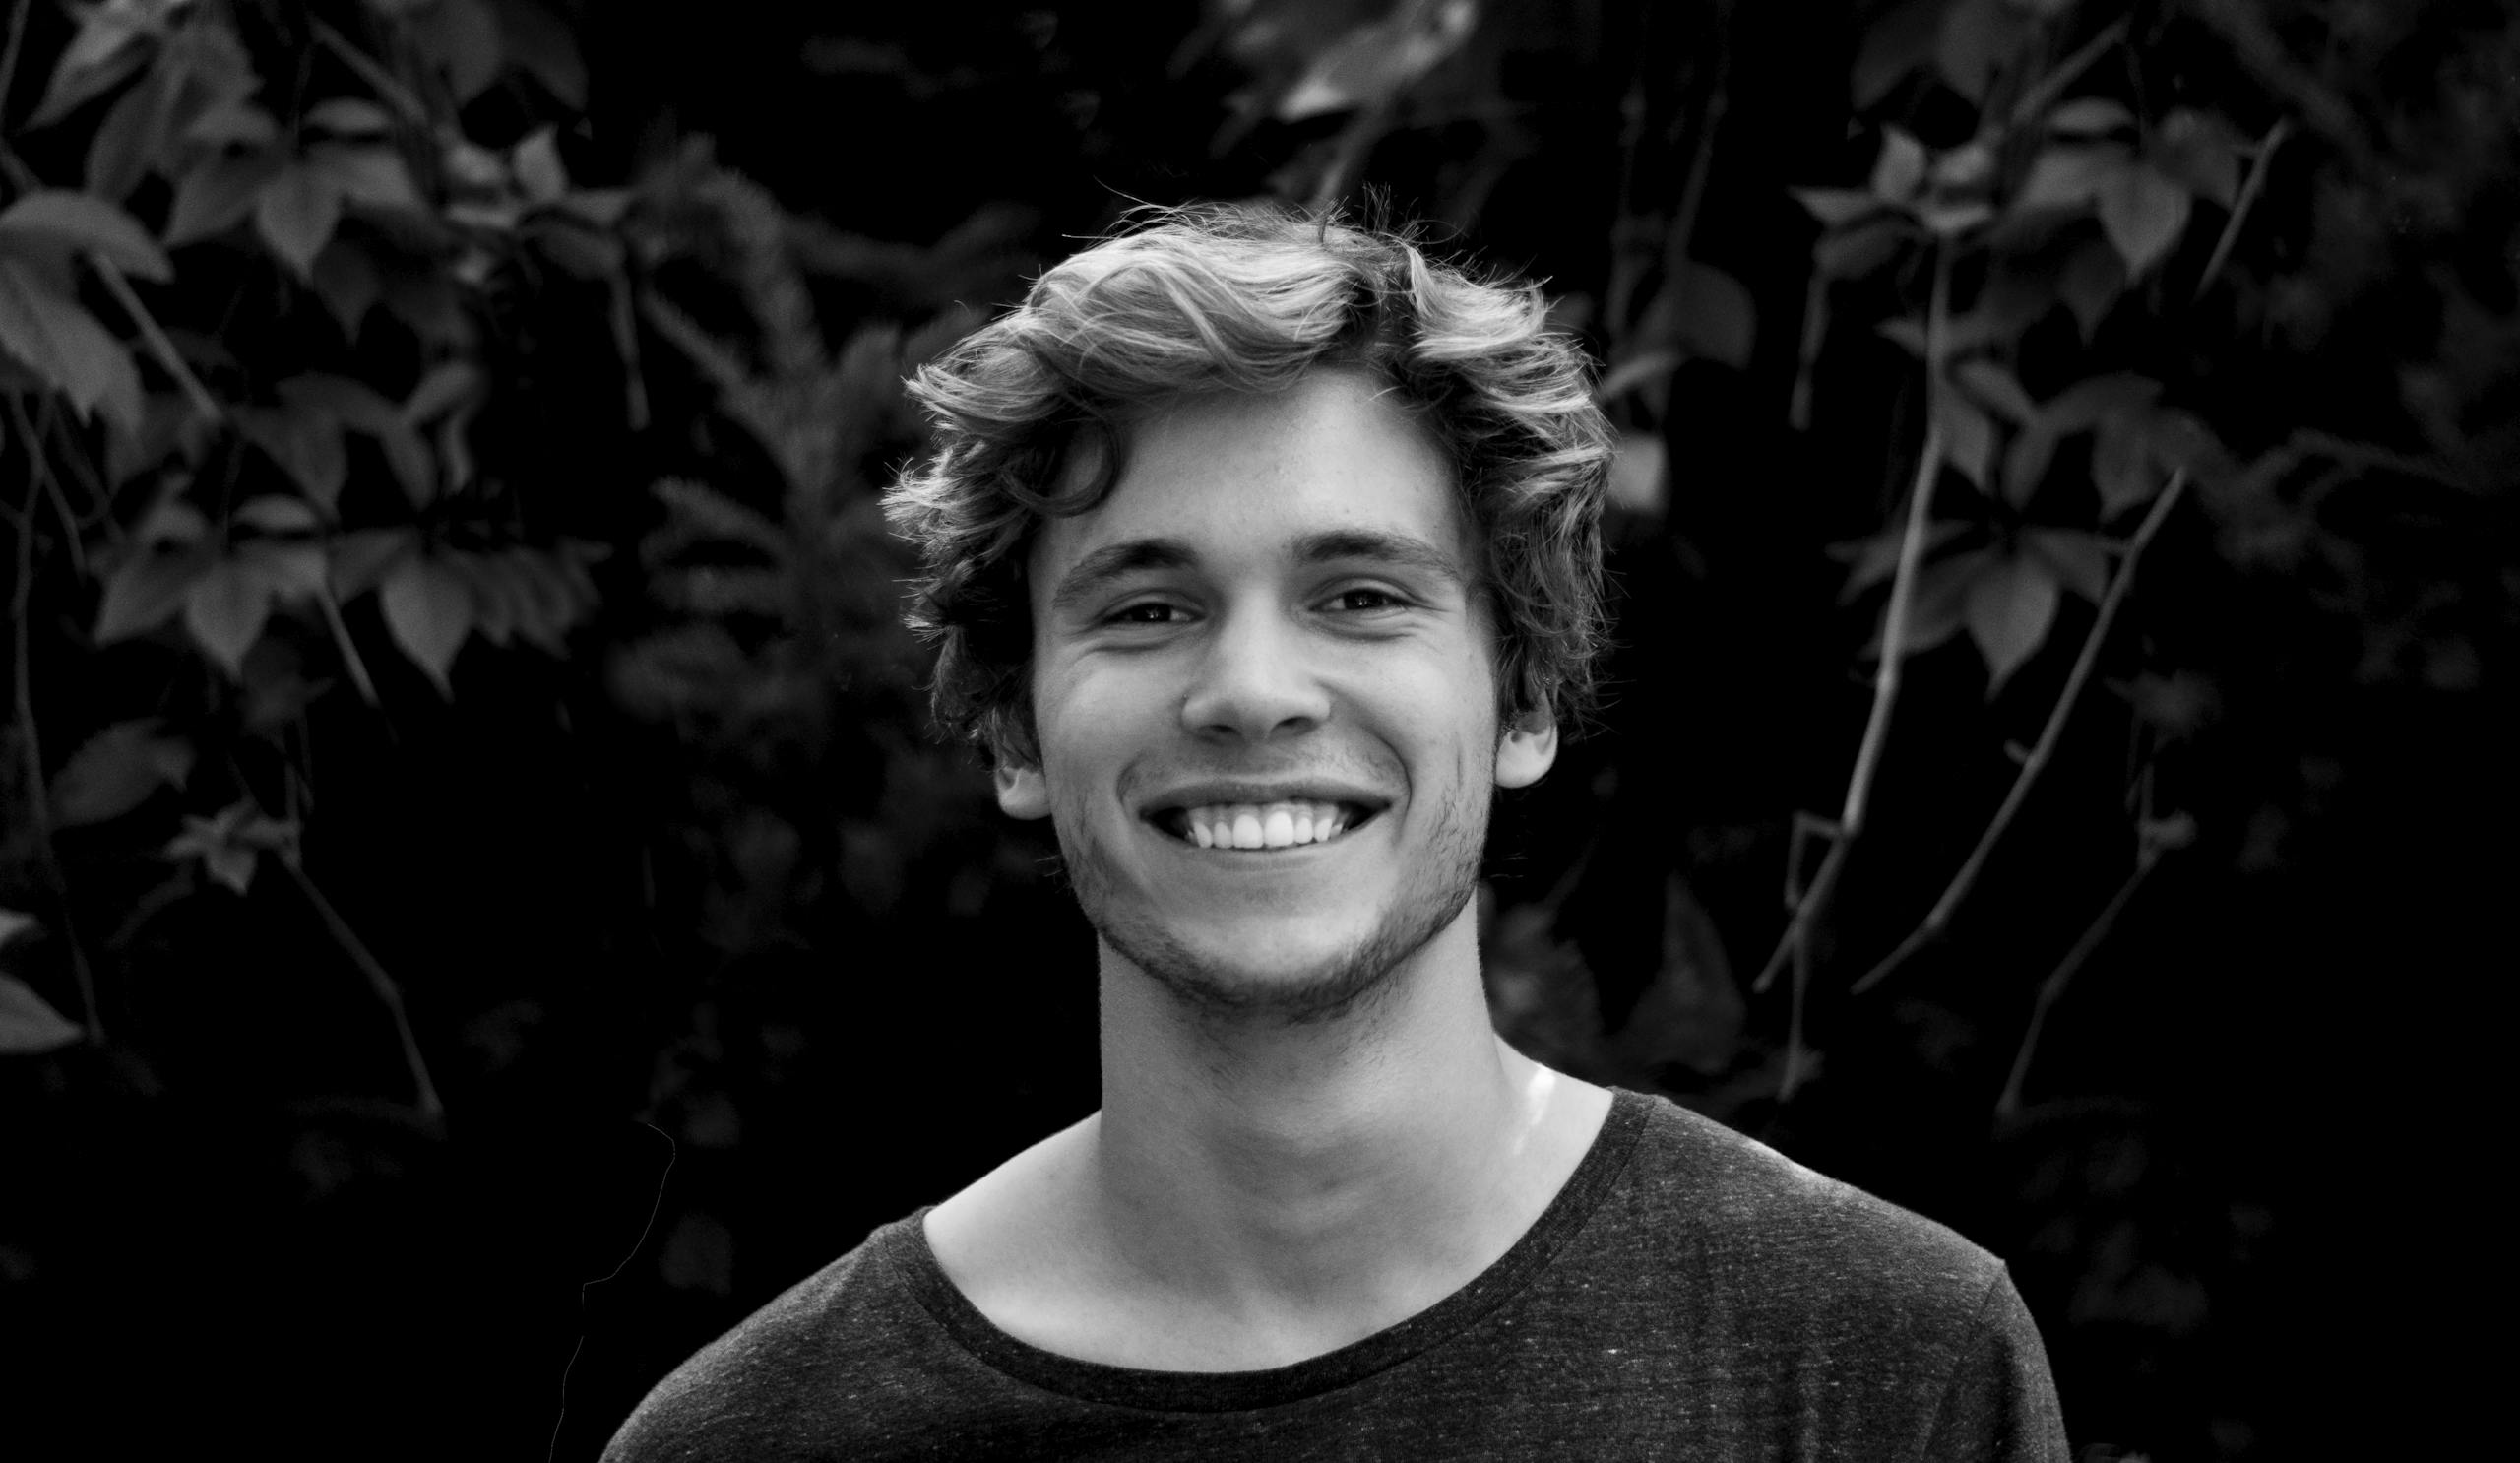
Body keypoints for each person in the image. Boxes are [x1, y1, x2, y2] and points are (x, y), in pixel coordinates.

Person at [602, 204, 2069, 1460]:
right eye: (1147, 608)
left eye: (1360, 594)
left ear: (1526, 692)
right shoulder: (754, 1437)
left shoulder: (1885, 1368)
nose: (1251, 692)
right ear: (1011, 724)